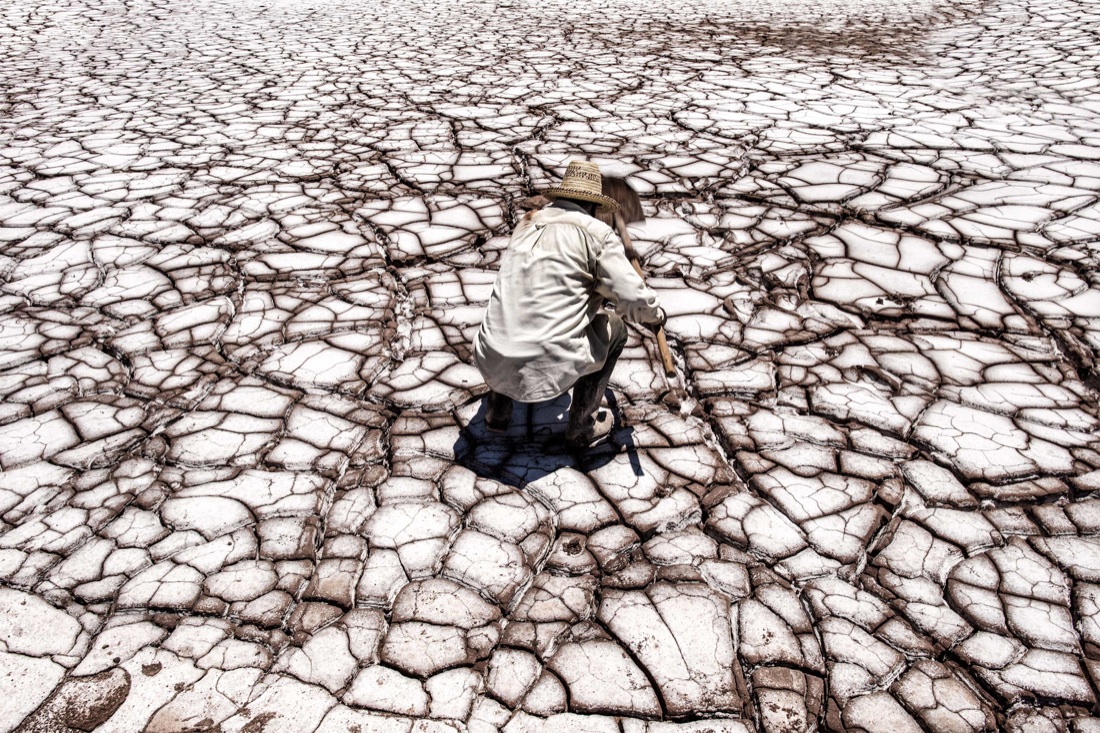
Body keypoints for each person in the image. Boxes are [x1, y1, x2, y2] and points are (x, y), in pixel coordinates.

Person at [472, 160, 666, 447]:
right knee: (615, 329)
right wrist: (655, 315)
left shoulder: (527, 224)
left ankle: (496, 414)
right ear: (594, 206)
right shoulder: (597, 236)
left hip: (489, 354)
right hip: (543, 355)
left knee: (514, 313)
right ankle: (582, 426)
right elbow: (633, 297)